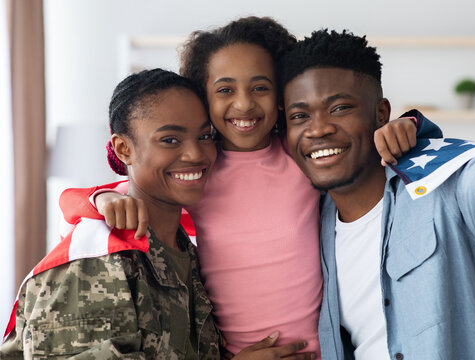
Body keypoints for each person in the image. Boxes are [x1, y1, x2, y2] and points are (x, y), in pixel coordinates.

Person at [56, 17, 418, 358]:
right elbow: (78, 202)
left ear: (280, 95)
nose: (244, 103)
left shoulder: (302, 156)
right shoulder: (195, 171)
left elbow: (358, 151)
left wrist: (407, 126)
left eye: (260, 87)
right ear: (204, 97)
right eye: (225, 89)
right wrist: (99, 198)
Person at [0, 69, 314, 359]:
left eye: (205, 136)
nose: (195, 154)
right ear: (124, 149)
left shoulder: (183, 249)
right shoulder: (97, 265)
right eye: (170, 140)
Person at [279, 29, 475, 359]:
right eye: (299, 116)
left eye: (339, 108)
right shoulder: (309, 221)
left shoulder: (449, 186)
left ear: (381, 113)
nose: (317, 128)